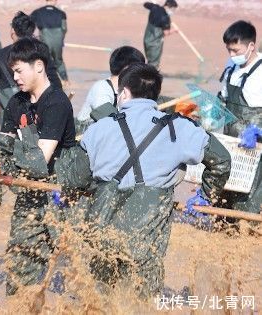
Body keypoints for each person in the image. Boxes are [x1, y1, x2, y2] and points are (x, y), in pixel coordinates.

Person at [72, 63, 230, 298]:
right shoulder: (179, 127)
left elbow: (76, 179)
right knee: (140, 301)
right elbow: (222, 161)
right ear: (155, 94)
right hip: (147, 241)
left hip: (102, 232)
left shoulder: (99, 128)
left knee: (98, 298)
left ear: (124, 93)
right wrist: (206, 196)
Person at [0, 37, 79, 296]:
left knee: (70, 268)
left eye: (18, 70)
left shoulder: (56, 103)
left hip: (59, 195)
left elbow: (41, 159)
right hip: (28, 194)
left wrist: (1, 170)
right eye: (12, 71)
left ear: (38, 66)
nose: (14, 77)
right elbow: (6, 143)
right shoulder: (16, 103)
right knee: (19, 259)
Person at [0, 11, 61, 124]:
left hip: (10, 116)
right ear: (32, 31)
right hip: (39, 111)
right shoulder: (41, 50)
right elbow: (54, 80)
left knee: (8, 139)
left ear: (12, 31)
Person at [217, 20, 262, 215]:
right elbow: (223, 99)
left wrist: (258, 132)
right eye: (229, 50)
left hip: (254, 145)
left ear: (251, 46)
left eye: (235, 50)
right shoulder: (231, 68)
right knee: (227, 184)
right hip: (231, 139)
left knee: (250, 190)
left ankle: (249, 225)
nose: (231, 55)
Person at [75, 46, 145, 135]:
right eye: (140, 69)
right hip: (83, 136)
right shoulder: (101, 88)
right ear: (127, 69)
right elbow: (109, 120)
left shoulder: (128, 90)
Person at [31, 0, 69, 84]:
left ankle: (46, 82)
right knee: (58, 61)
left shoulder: (37, 12)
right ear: (55, 1)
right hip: (58, 41)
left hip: (44, 39)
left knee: (44, 61)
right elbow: (64, 29)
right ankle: (65, 80)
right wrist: (60, 39)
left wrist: (33, 38)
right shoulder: (61, 13)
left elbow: (29, 25)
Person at [142, 0, 178, 69]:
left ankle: (147, 74)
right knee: (154, 63)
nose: (172, 12)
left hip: (147, 40)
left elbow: (145, 4)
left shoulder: (155, 8)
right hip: (155, 43)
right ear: (168, 7)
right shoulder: (165, 18)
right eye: (173, 9)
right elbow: (166, 33)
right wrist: (175, 31)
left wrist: (154, 6)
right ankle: (150, 77)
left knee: (149, 60)